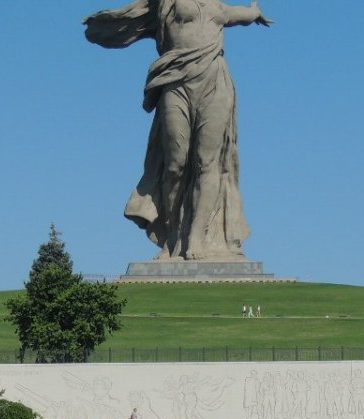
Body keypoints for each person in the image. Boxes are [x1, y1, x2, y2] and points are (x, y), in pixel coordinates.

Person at [84, 1, 272, 261]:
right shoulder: (166, 3)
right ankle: (173, 238)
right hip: (175, 81)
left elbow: (244, 15)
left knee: (208, 163)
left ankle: (196, 236)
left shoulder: (219, 8)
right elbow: (134, 18)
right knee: (175, 163)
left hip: (214, 81)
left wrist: (254, 11)